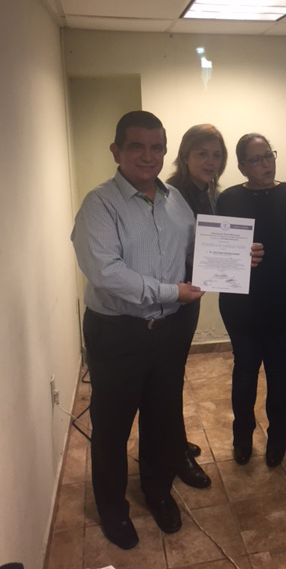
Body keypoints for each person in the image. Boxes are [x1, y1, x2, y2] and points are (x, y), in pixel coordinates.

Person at [71, 111, 205, 549]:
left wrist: (234, 259)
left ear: (165, 152)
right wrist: (172, 292)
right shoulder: (99, 204)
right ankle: (113, 509)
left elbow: (194, 251)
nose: (148, 156)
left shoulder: (175, 200)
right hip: (117, 334)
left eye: (156, 147)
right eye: (136, 146)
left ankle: (157, 491)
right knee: (112, 427)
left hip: (167, 331)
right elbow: (106, 273)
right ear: (117, 151)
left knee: (162, 418)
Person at [217, 133, 286, 468]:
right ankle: (242, 436)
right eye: (256, 159)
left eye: (269, 155)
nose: (266, 164)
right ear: (242, 167)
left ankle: (278, 439)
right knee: (245, 369)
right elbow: (218, 249)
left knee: (279, 369)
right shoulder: (228, 199)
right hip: (240, 302)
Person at [166, 124, 228, 489]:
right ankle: (175, 454)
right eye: (202, 153)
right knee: (169, 379)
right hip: (171, 299)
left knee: (175, 374)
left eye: (216, 155)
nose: (210, 161)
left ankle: (174, 440)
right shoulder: (173, 195)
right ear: (185, 156)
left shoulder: (209, 193)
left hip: (190, 297)